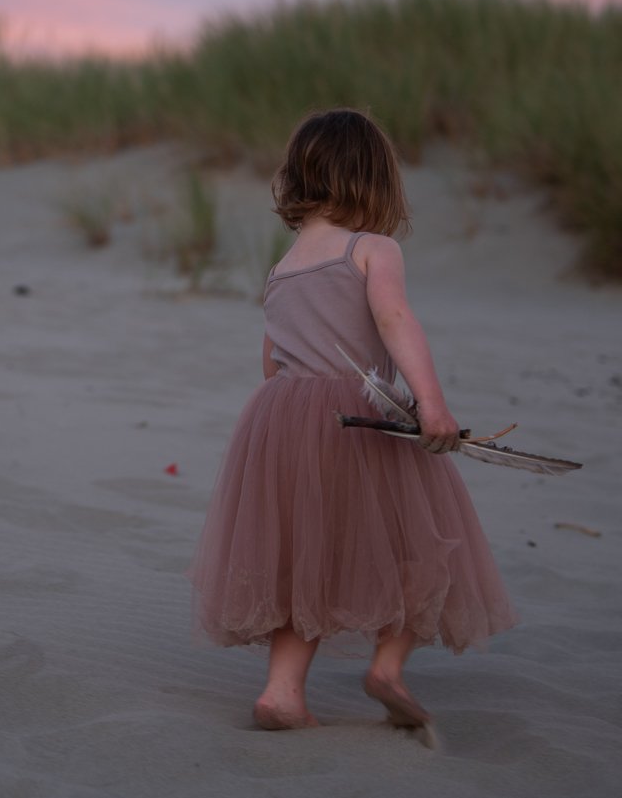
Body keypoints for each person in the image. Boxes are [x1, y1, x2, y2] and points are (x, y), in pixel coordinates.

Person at [188, 108, 516, 732]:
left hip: (281, 418)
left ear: (298, 179)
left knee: (303, 559)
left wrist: (293, 427)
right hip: (359, 417)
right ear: (376, 180)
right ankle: (387, 669)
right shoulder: (372, 249)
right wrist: (431, 402)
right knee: (417, 544)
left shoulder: (281, 268)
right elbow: (395, 322)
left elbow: (271, 362)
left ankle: (282, 694)